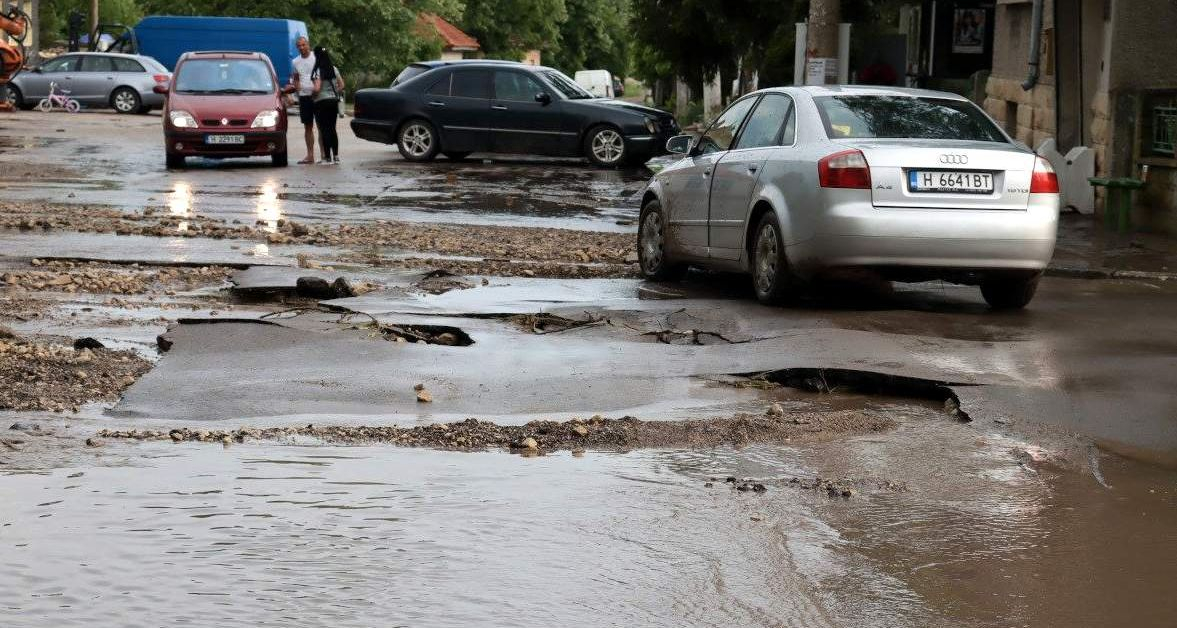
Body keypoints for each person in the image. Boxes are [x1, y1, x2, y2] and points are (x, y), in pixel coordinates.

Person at [311, 46, 345, 165]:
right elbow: (342, 85)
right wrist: (334, 92)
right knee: (332, 129)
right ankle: (336, 156)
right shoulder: (334, 69)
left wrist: (312, 94)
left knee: (324, 129)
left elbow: (317, 88)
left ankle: (327, 157)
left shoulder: (319, 70)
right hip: (333, 101)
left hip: (321, 102)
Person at [289, 37, 317, 165]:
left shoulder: (316, 57)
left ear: (308, 45)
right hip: (304, 97)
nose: (301, 48)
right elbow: (295, 78)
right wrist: (297, 87)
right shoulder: (295, 62)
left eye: (303, 45)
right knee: (308, 127)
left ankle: (324, 155)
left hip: (318, 96)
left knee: (322, 126)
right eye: (299, 46)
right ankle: (310, 155)